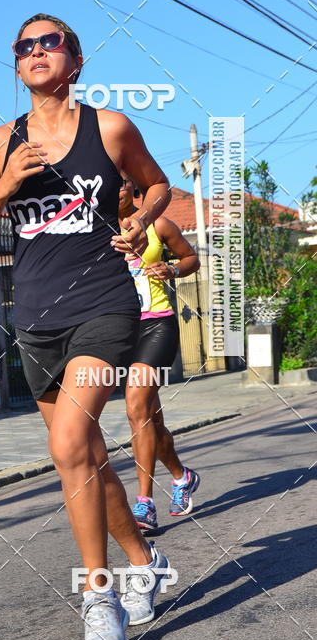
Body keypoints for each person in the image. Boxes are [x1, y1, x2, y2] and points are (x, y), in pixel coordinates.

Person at [0, 13, 174, 640]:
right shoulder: (0, 142)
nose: (35, 52)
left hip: (104, 305)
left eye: (49, 42)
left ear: (75, 61)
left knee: (69, 444)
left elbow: (158, 184)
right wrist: (3, 184)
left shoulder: (109, 128)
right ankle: (145, 561)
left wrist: (140, 221)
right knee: (88, 457)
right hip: (35, 320)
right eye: (23, 46)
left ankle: (98, 599)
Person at [117, 175, 201, 532]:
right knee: (150, 420)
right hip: (119, 331)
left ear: (134, 189)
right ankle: (182, 477)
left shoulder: (158, 225)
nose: (117, 189)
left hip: (157, 325)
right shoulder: (94, 229)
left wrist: (173, 269)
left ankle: (145, 503)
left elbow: (191, 258)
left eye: (123, 182)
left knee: (136, 406)